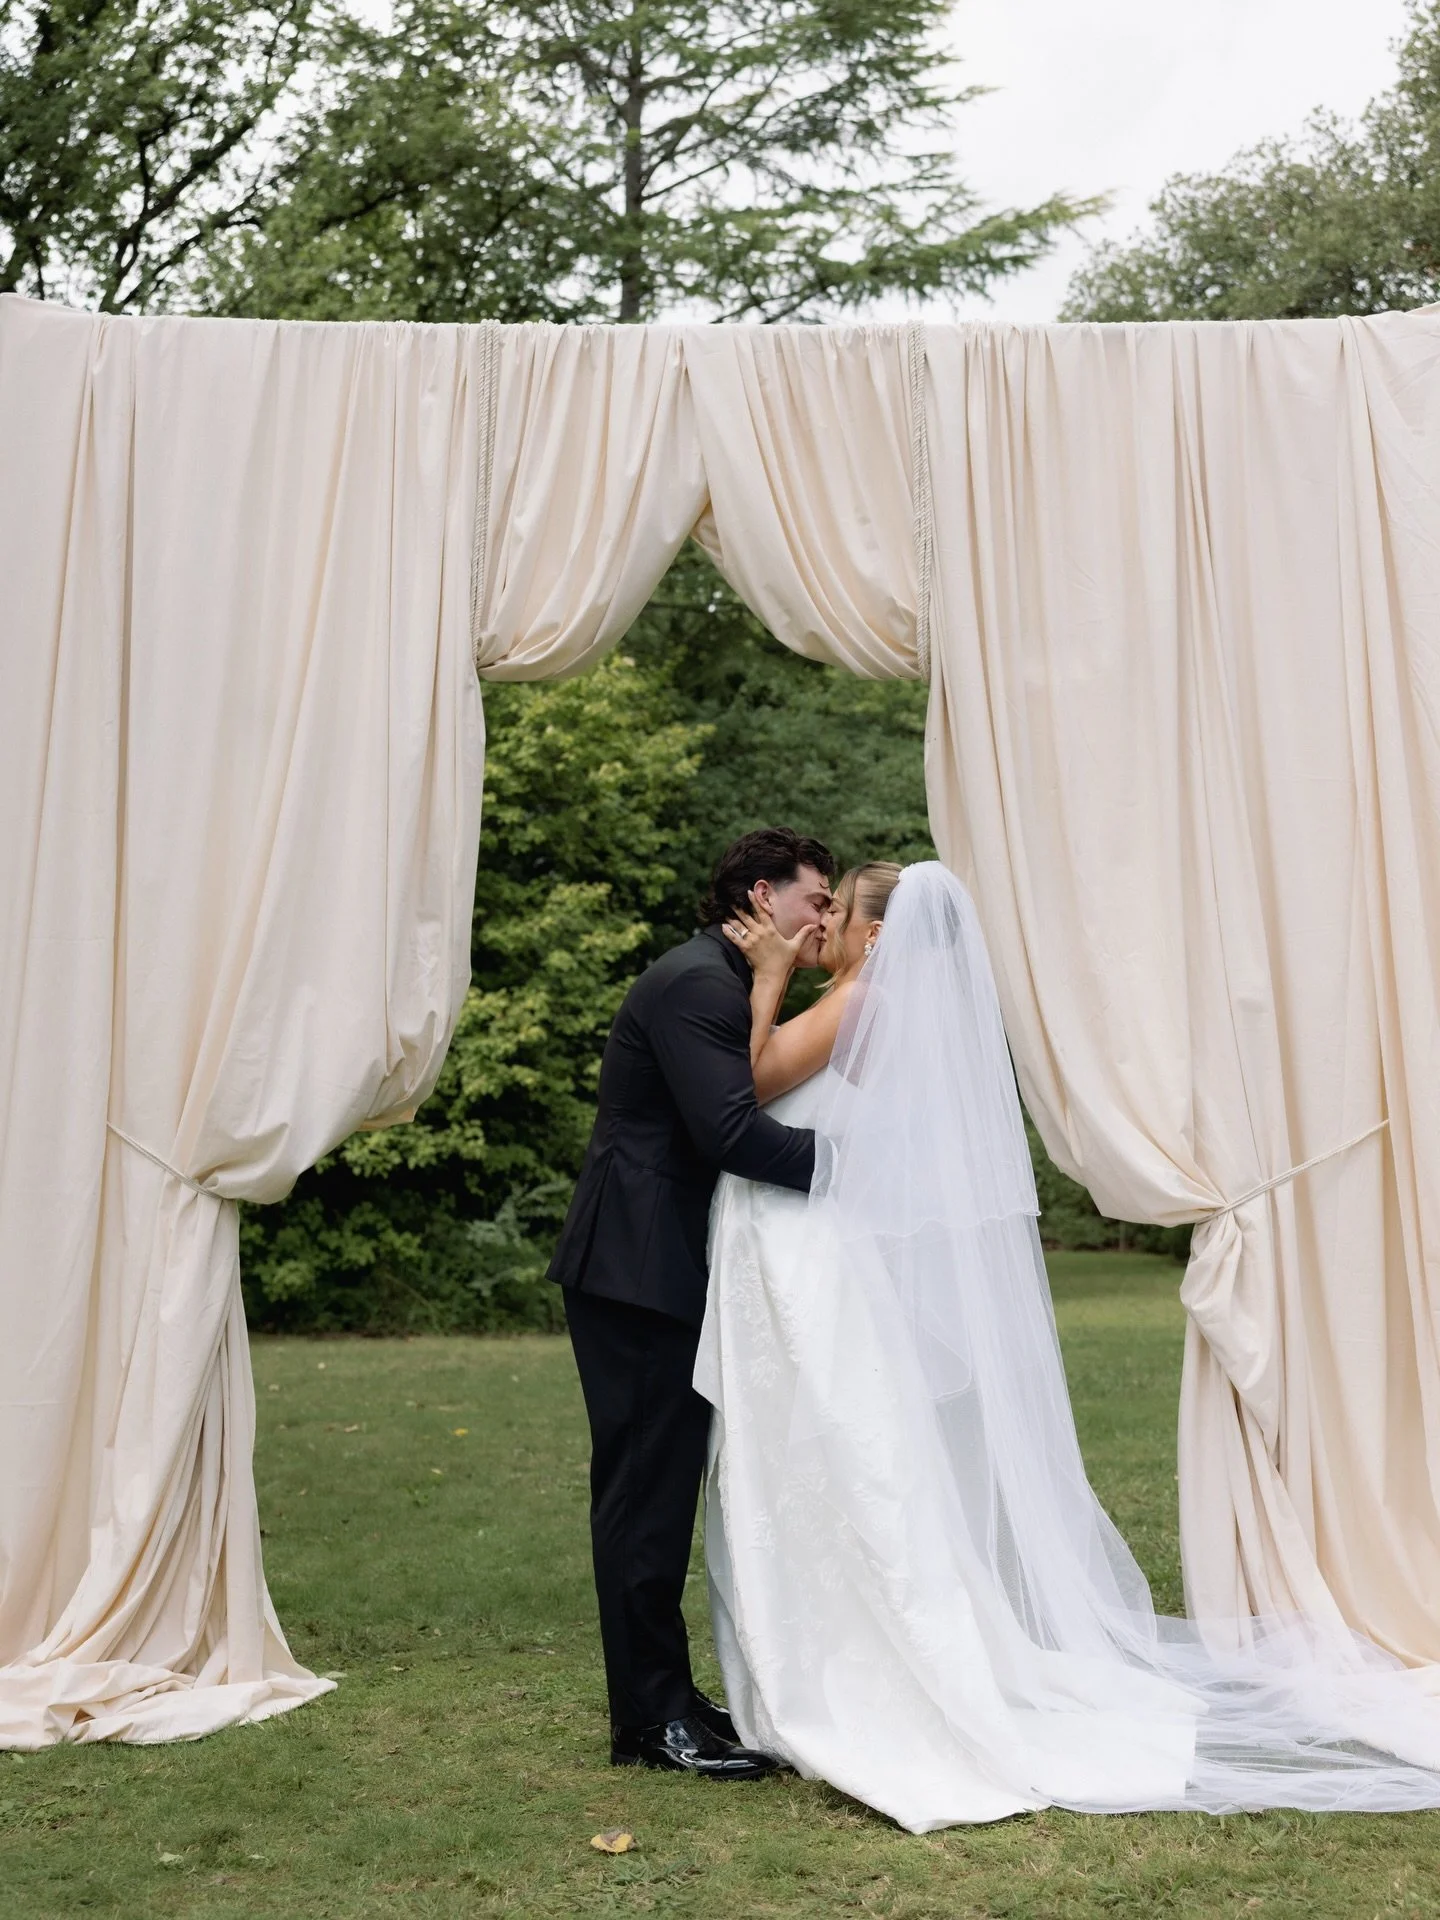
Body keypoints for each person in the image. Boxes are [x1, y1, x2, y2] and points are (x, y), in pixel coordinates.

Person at [697, 860, 1440, 1831]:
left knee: (830, 1459)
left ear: (879, 936)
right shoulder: (867, 999)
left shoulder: (860, 1000)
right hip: (802, 1251)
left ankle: (849, 1670)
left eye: (839, 906)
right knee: (841, 1456)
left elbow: (747, 1085)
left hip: (805, 1257)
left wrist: (763, 982)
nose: (823, 918)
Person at [548, 826, 836, 1779]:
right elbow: (732, 1133)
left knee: (664, 1493)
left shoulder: (724, 980)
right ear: (763, 897)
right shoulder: (699, 984)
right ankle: (650, 1724)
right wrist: (863, 1167)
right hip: (636, 1272)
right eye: (815, 899)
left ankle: (663, 1697)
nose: (824, 917)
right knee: (643, 1498)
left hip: (666, 1267)